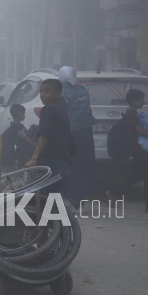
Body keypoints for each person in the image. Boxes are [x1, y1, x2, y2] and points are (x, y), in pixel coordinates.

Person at [105, 89, 148, 215]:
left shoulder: (133, 114)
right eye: (141, 100)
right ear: (134, 101)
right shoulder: (131, 116)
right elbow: (141, 132)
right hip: (138, 150)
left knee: (138, 174)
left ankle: (112, 193)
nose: (143, 102)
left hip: (137, 149)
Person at [24, 79, 74, 197]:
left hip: (49, 165)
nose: (42, 95)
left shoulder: (48, 109)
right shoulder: (62, 112)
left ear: (58, 94)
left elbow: (44, 134)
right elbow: (70, 141)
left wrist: (34, 158)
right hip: (62, 165)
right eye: (40, 91)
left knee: (31, 202)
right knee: (50, 205)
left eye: (46, 91)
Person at [58, 67, 96, 203]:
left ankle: (68, 193)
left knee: (69, 164)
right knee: (85, 163)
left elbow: (60, 114)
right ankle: (81, 195)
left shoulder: (60, 92)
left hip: (70, 133)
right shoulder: (82, 89)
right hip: (86, 132)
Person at [0, 103, 36, 172]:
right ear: (19, 114)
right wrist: (35, 145)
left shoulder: (16, 126)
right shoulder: (16, 127)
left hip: (13, 154)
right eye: (23, 114)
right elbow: (25, 137)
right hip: (10, 156)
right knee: (16, 173)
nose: (24, 116)